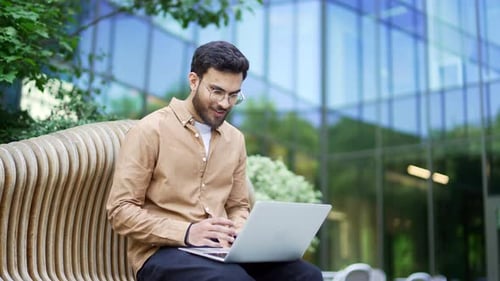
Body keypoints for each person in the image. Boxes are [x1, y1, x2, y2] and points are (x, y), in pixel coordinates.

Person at [106, 40, 323, 281]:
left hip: (221, 252)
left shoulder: (235, 139)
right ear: (193, 81)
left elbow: (238, 205)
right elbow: (120, 211)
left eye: (233, 95)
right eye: (217, 91)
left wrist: (240, 230)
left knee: (306, 275)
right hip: (164, 252)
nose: (224, 103)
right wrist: (188, 232)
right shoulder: (150, 130)